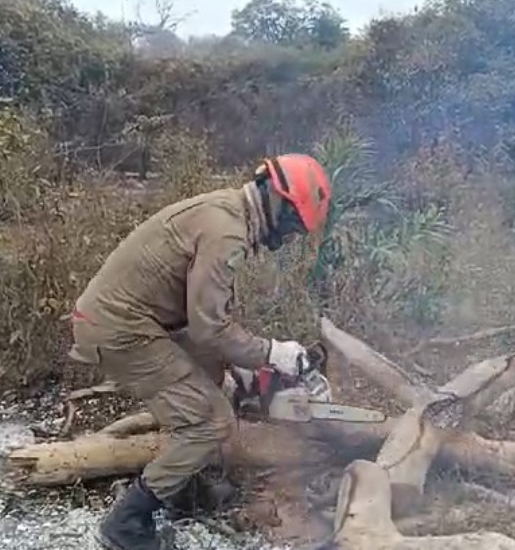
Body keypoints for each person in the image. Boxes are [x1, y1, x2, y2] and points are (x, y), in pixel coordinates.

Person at [68, 153, 333, 550]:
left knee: (210, 381)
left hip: (131, 319)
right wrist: (273, 353)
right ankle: (127, 522)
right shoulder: (226, 232)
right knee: (211, 420)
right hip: (120, 329)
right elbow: (210, 328)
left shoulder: (228, 212)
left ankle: (185, 486)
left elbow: (203, 316)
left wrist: (242, 366)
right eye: (294, 225)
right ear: (278, 202)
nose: (291, 235)